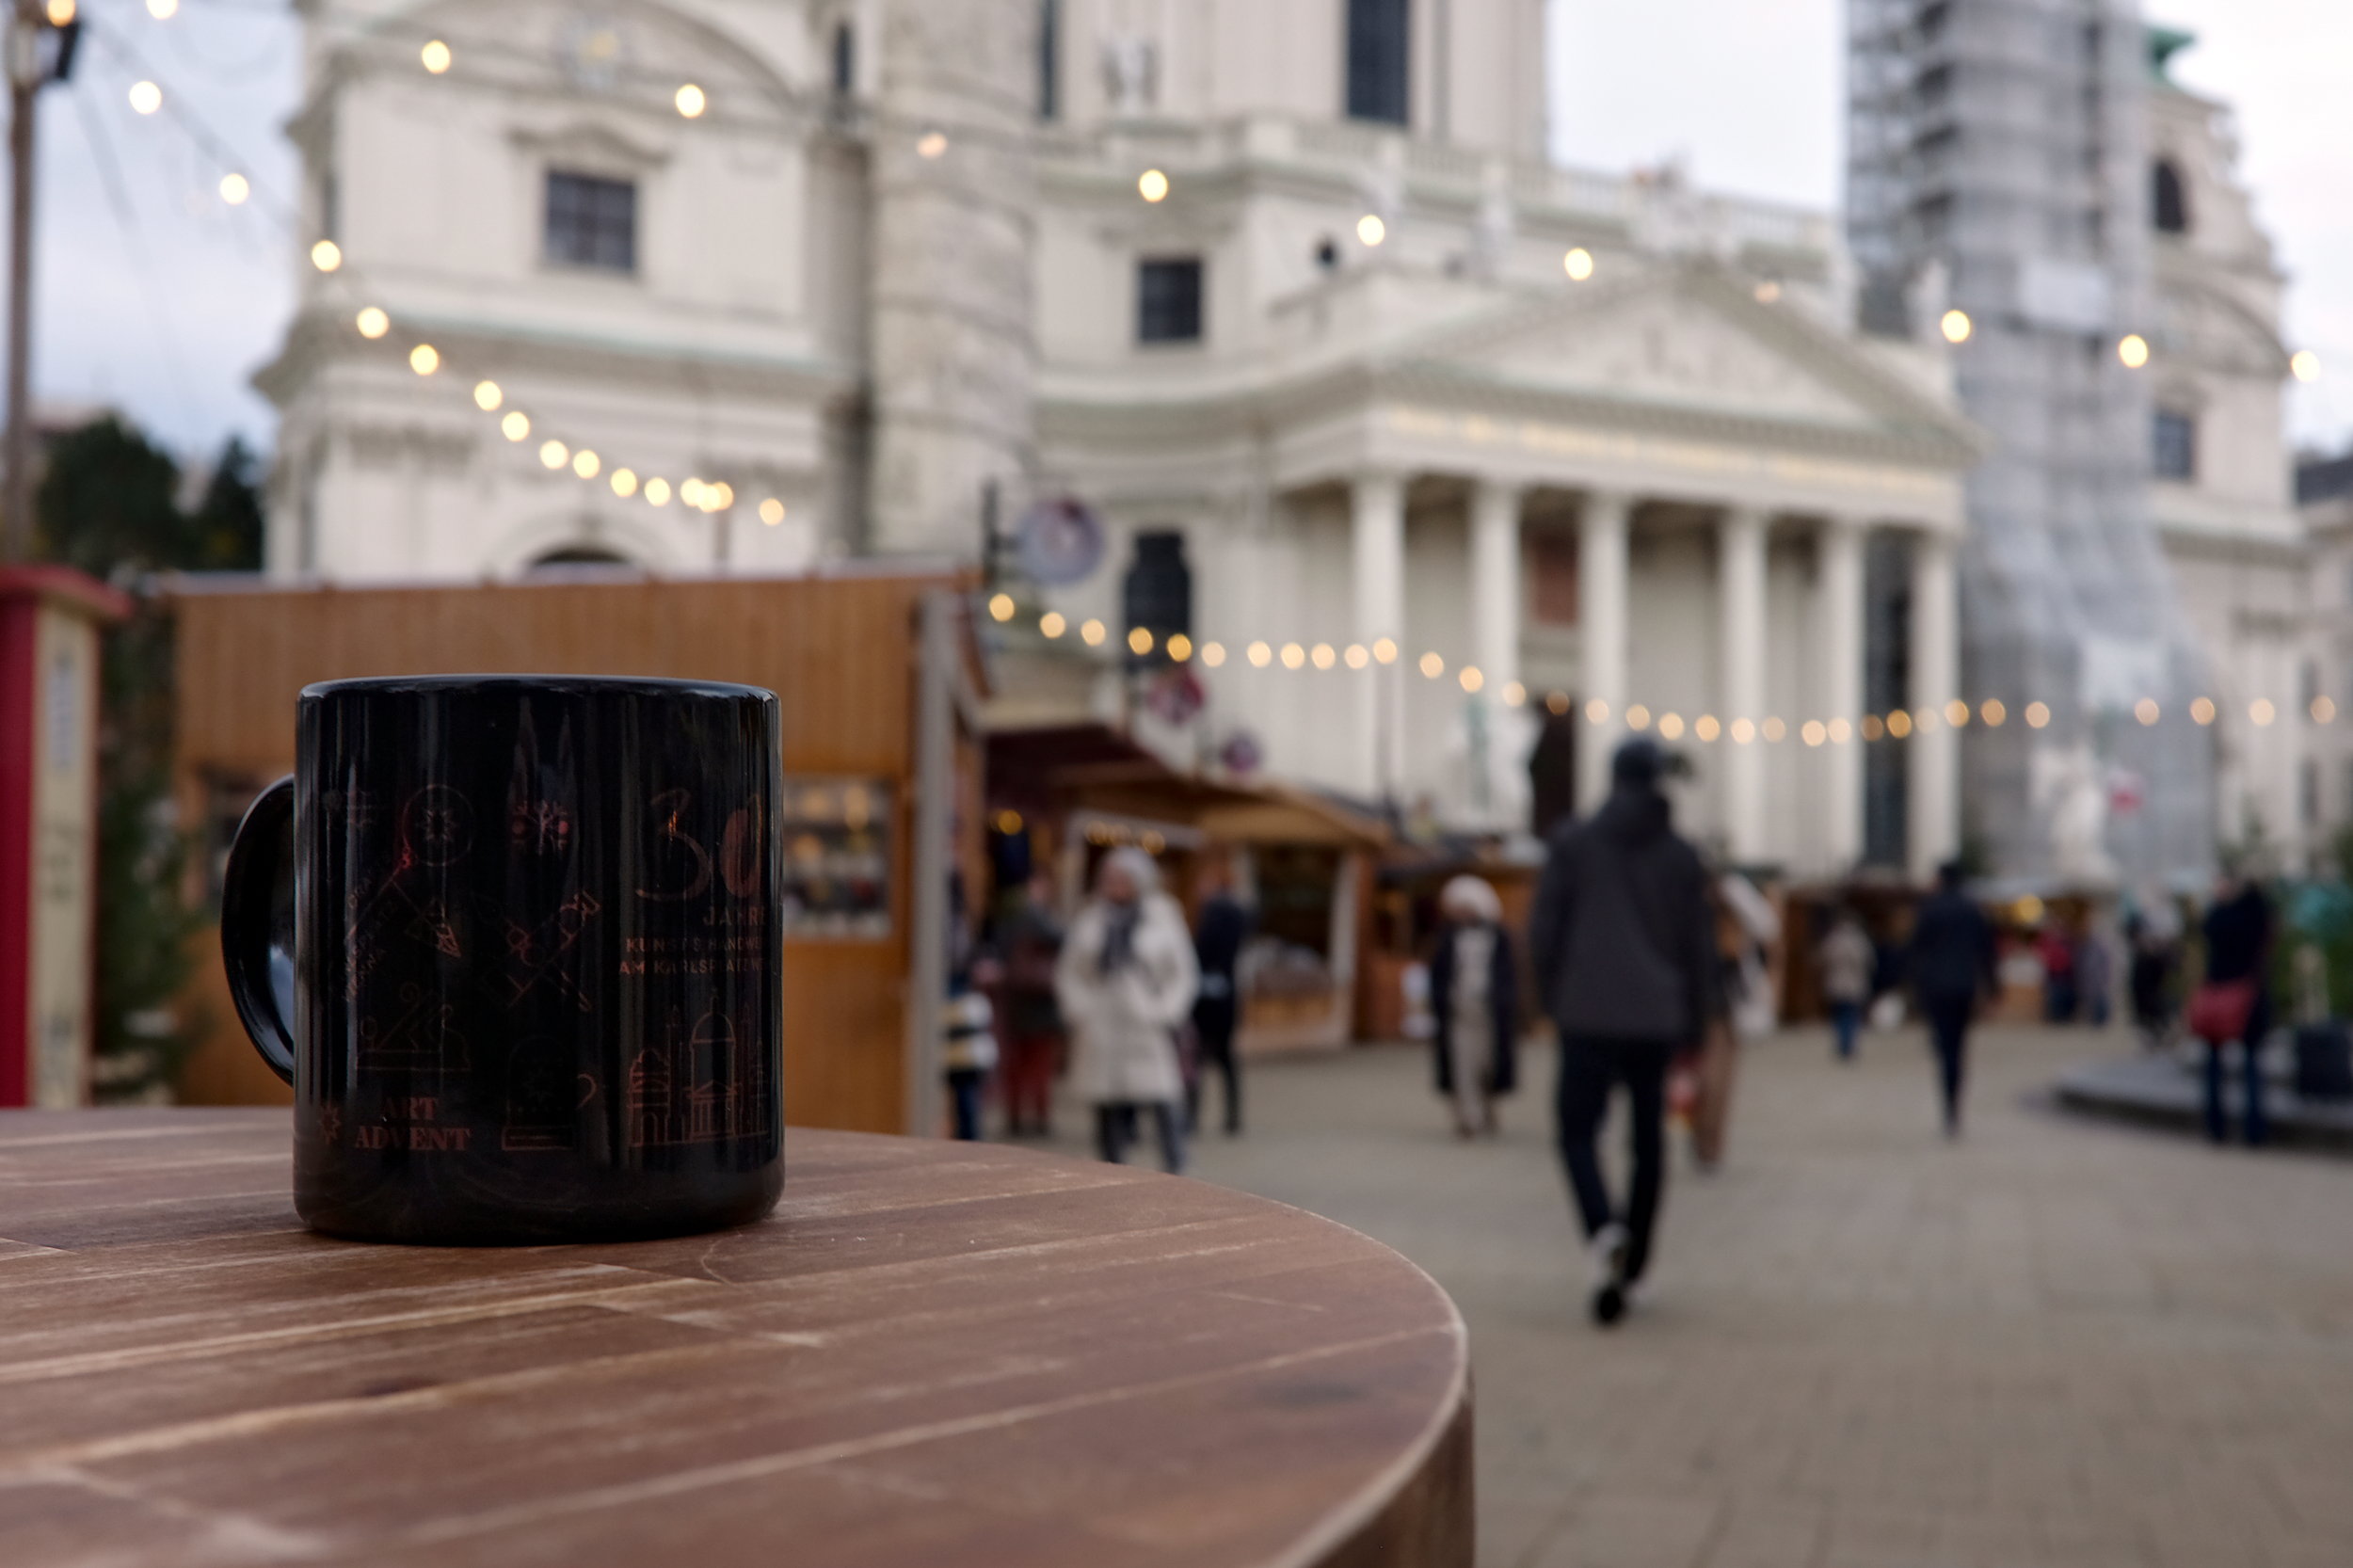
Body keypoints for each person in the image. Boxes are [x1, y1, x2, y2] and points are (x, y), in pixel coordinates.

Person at [1529, 737, 1720, 1328]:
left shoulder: (1573, 844)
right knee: (1649, 1144)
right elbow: (1699, 949)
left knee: (1576, 1132)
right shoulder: (1683, 856)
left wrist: (1552, 998)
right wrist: (1697, 1024)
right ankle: (1634, 1265)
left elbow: (1543, 930)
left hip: (1586, 1012)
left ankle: (1602, 1229)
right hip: (1658, 1018)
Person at [1056, 847, 1198, 1173]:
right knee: (1107, 1107)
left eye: (1122, 879)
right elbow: (1070, 971)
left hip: (1145, 1024)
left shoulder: (1162, 916)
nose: (1114, 885)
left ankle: (1179, 1174)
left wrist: (1165, 1011)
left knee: (1163, 1100)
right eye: (1109, 878)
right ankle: (1113, 1174)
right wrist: (1080, 1009)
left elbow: (1183, 974)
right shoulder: (1090, 917)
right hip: (1102, 1026)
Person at [1907, 862, 1996, 1136]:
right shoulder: (1973, 910)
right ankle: (1954, 1106)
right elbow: (1987, 951)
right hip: (1964, 987)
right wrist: (1992, 986)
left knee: (1944, 1045)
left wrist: (1913, 987)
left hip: (1936, 988)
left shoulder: (1930, 909)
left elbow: (1916, 949)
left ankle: (1948, 1105)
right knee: (1958, 1048)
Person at [1428, 874, 1519, 1138]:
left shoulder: (1498, 937)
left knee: (1489, 1064)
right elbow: (1439, 975)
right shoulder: (1447, 938)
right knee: (1461, 1066)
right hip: (1458, 1013)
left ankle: (1488, 1109)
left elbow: (1510, 977)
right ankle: (1468, 1117)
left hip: (1491, 1013)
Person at [2195, 871, 2274, 1146]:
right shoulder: (2257, 913)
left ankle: (2216, 1126)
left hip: (2222, 994)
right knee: (2251, 1065)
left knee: (2216, 1065)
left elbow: (2207, 932)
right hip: (2249, 994)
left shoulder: (2222, 914)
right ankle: (2254, 1129)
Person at [994, 871, 1066, 1138]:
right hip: (1034, 999)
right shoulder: (1034, 916)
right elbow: (1060, 938)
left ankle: (1021, 1116)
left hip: (1022, 998)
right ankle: (1034, 1117)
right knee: (1035, 1063)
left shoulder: (1013, 917)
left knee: (1026, 1063)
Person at [1189, 858, 1253, 1136]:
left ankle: (1193, 1118)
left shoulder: (1216, 913)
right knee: (1225, 1059)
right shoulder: (1237, 913)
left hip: (1208, 999)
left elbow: (1204, 953)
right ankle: (1232, 1118)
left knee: (1200, 1058)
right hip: (1225, 997)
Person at [1819, 908, 1876, 1063]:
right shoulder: (1860, 941)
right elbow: (1869, 961)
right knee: (1851, 1016)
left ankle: (1842, 1045)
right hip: (1854, 984)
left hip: (1835, 983)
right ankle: (1848, 1045)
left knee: (1839, 1016)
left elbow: (1824, 958)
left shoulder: (1833, 939)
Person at [2038, 922, 2078, 1022]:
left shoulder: (2067, 944)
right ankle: (2056, 1017)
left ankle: (2062, 1017)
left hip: (2064, 974)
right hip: (2054, 974)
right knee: (2055, 996)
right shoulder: (2050, 943)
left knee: (2062, 996)